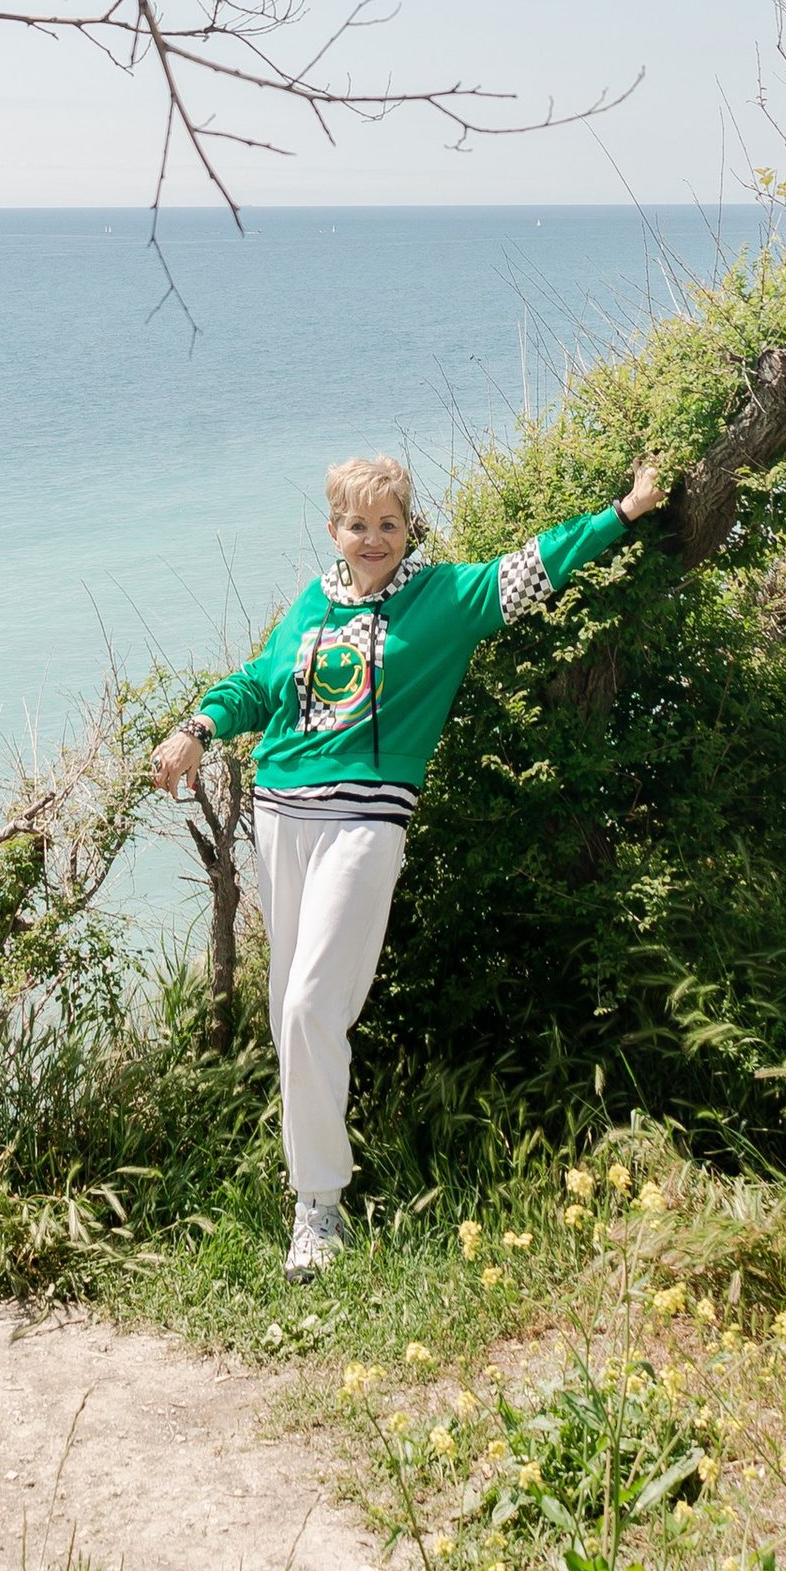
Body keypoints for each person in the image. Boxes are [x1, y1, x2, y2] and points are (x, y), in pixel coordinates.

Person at [152, 450, 668, 1280]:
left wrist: (626, 510)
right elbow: (255, 685)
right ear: (334, 529)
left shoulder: (443, 599)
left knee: (316, 1004)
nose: (373, 538)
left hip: (367, 818)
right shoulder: (310, 607)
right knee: (291, 1017)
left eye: (388, 524)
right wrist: (197, 729)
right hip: (281, 814)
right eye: (358, 524)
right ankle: (307, 1195)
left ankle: (321, 1209)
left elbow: (532, 567)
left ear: (408, 528)